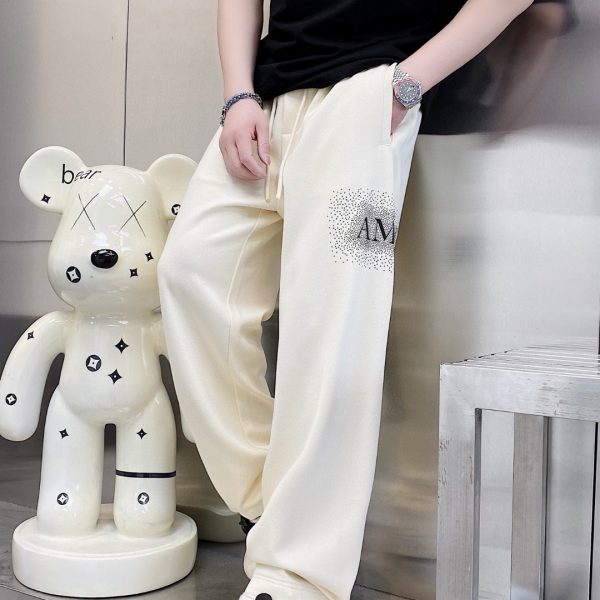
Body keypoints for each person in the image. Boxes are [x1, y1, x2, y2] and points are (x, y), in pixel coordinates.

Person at [156, 1, 535, 598]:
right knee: (189, 272)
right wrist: (237, 94)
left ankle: (298, 574)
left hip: (366, 103)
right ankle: (279, 505)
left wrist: (405, 86)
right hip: (269, 98)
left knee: (331, 324)